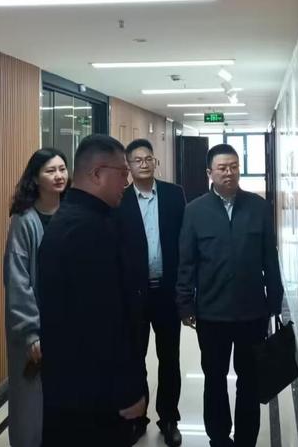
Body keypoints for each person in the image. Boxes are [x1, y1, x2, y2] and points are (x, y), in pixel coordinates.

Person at [39, 134, 146, 447]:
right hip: (93, 394)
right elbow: (104, 322)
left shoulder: (78, 217)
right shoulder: (87, 230)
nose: (126, 182)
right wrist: (128, 389)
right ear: (97, 173)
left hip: (72, 387)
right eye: (122, 173)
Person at [176, 144, 284, 447]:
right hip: (212, 313)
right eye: (222, 168)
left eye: (234, 167)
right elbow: (186, 262)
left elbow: (270, 258)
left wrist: (275, 300)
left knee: (249, 380)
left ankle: (246, 439)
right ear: (209, 173)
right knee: (214, 379)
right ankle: (219, 438)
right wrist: (184, 304)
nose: (229, 173)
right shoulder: (195, 211)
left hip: (252, 311)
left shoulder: (258, 207)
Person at [116, 139, 186, 446]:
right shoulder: (120, 199)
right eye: (137, 160)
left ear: (155, 162)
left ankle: (169, 418)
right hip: (134, 295)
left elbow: (184, 241)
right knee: (135, 358)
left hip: (167, 292)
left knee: (169, 358)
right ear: (128, 166)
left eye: (148, 159)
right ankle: (138, 416)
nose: (144, 164)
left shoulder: (174, 195)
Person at [3, 148, 69, 447]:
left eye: (62, 169)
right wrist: (31, 332)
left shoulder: (72, 213)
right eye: (50, 171)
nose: (58, 176)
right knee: (32, 401)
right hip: (36, 326)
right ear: (36, 177)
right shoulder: (25, 220)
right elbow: (18, 280)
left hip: (69, 322)